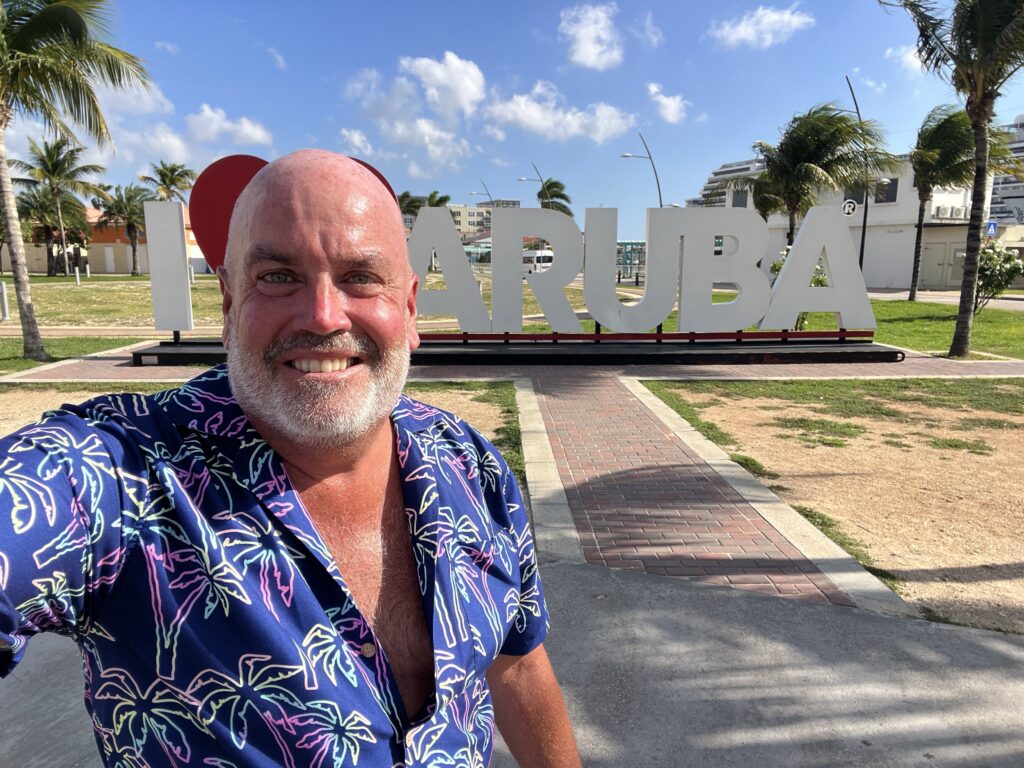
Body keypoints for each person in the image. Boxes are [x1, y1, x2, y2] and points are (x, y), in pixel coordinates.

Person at [0, 150, 581, 767]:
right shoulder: (119, 474)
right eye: (278, 275)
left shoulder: (471, 467)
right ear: (227, 303)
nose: (323, 316)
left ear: (409, 309)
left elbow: (517, 667)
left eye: (360, 276)